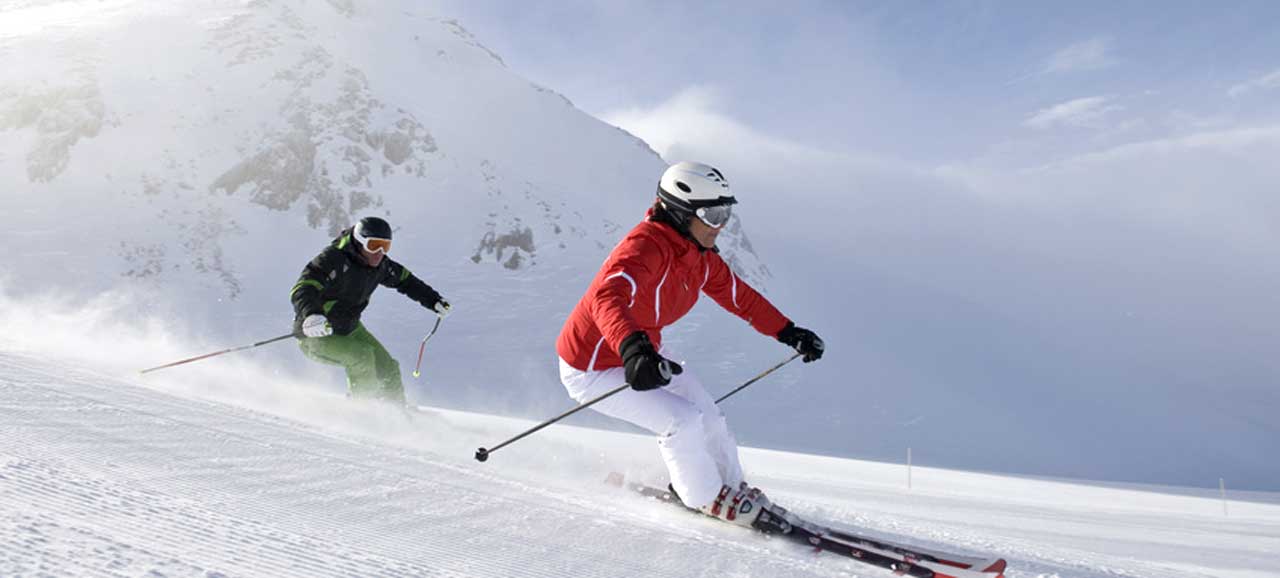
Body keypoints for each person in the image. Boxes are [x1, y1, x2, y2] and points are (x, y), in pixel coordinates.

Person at [556, 161, 825, 527]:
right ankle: (704, 497)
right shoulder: (644, 248)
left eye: (726, 212)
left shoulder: (698, 257)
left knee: (708, 414)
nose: (722, 225)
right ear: (682, 212)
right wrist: (632, 349)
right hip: (593, 366)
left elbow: (739, 296)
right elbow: (608, 296)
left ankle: (731, 489)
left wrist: (788, 331)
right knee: (680, 421)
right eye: (713, 214)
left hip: (643, 351)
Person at [290, 216, 451, 405]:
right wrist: (311, 315)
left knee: (388, 368)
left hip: (350, 328)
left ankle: (396, 413)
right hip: (317, 334)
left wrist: (433, 300)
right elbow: (304, 287)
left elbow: (406, 280)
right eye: (374, 245)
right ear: (359, 242)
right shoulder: (333, 258)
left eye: (385, 246)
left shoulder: (381, 265)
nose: (379, 253)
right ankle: (363, 413)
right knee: (362, 357)